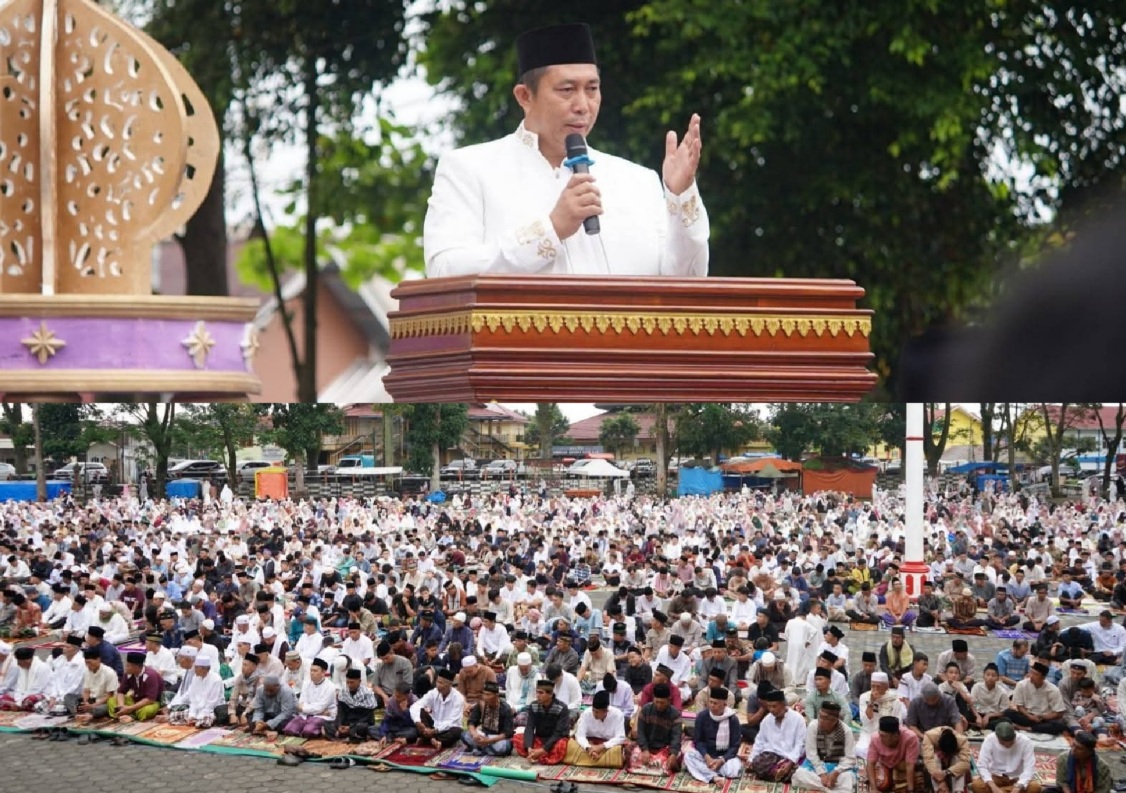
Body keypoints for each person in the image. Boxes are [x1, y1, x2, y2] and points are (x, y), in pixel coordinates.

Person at [422, 23, 708, 279]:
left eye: (592, 89)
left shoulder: (638, 181)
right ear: (525, 96)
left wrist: (681, 194)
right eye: (567, 90)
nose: (583, 105)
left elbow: (686, 280)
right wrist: (551, 229)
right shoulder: (471, 169)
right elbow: (444, 270)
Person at [684, 685, 745, 783]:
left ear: (724, 705)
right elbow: (698, 741)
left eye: (715, 703)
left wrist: (722, 760)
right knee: (688, 756)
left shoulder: (732, 719)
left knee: (734, 770)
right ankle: (714, 777)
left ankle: (705, 771)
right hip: (706, 755)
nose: (712, 705)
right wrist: (706, 756)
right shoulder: (702, 716)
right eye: (710, 702)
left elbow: (735, 746)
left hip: (724, 757)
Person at [792, 700, 856, 793]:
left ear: (835, 720)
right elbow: (811, 753)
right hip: (817, 763)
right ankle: (830, 789)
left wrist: (835, 773)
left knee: (848, 779)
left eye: (825, 718)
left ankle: (822, 786)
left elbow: (849, 758)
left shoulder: (846, 731)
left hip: (837, 765)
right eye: (820, 716)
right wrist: (822, 774)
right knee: (800, 774)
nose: (821, 720)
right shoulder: (813, 725)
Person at [748, 688, 805, 782]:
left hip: (791, 755)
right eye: (769, 707)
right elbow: (760, 741)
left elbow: (800, 744)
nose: (771, 710)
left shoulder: (798, 719)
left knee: (801, 771)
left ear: (783, 704)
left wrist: (790, 762)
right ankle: (779, 773)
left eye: (774, 706)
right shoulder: (767, 720)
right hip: (773, 754)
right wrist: (751, 758)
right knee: (757, 763)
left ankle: (778, 772)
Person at [973, 721, 1041, 793]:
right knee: (977, 785)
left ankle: (1004, 790)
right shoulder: (990, 739)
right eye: (1003, 743)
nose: (1007, 745)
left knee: (1034, 787)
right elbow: (982, 766)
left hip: (1017, 777)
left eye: (1011, 742)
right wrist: (993, 787)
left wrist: (1017, 787)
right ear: (997, 738)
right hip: (995, 776)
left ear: (1014, 736)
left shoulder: (1025, 741)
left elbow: (1029, 768)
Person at [514, 679, 570, 764]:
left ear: (550, 694)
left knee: (561, 745)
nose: (537, 695)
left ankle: (541, 754)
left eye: (541, 693)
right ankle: (534, 753)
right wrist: (529, 748)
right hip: (540, 738)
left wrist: (543, 750)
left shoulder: (562, 708)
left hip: (555, 740)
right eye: (537, 692)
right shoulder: (534, 705)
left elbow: (559, 733)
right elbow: (530, 727)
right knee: (517, 738)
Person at [630, 682, 682, 774]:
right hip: (648, 747)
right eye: (656, 702)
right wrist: (645, 750)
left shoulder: (675, 714)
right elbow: (641, 733)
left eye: (662, 703)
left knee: (669, 762)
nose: (659, 705)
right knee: (633, 755)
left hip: (665, 749)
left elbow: (676, 737)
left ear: (669, 700)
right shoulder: (646, 710)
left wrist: (673, 754)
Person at [566, 688, 626, 767]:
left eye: (597, 712)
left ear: (606, 711)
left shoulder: (618, 714)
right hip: (589, 744)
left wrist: (601, 747)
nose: (594, 714)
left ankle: (589, 760)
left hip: (608, 746)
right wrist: (589, 748)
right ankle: (600, 760)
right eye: (593, 710)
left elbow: (620, 737)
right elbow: (580, 735)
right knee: (570, 745)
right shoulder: (587, 713)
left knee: (618, 751)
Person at [1004, 661, 1068, 735]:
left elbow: (1059, 713)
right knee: (1008, 713)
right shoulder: (1021, 685)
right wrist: (1029, 716)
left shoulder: (1053, 690)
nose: (1031, 676)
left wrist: (1041, 717)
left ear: (1043, 677)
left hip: (1043, 718)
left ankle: (1027, 728)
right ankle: (1040, 728)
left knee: (1060, 725)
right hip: (1027, 716)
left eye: (1035, 674)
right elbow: (1019, 706)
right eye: (1031, 672)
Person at [410, 666, 465, 748]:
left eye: (441, 683)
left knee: (457, 731)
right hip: (433, 725)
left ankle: (432, 740)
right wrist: (418, 722)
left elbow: (452, 721)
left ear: (449, 684)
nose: (438, 685)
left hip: (447, 729)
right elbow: (416, 706)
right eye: (437, 682)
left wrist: (435, 731)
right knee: (420, 712)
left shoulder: (458, 698)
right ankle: (432, 739)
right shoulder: (433, 693)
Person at [284, 657, 337, 738]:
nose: (312, 673)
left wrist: (306, 709)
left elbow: (319, 707)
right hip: (307, 715)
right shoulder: (306, 683)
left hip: (323, 716)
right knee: (289, 730)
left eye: (315, 671)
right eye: (311, 670)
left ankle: (322, 729)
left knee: (308, 731)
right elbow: (301, 703)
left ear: (323, 672)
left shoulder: (330, 687)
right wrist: (316, 711)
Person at [866, 716, 921, 793]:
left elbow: (910, 765)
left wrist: (910, 790)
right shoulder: (875, 738)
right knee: (882, 784)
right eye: (880, 734)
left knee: (918, 781)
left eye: (883, 736)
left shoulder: (910, 738)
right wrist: (874, 789)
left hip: (902, 765)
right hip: (885, 763)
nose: (880, 738)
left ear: (895, 736)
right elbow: (870, 763)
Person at [461, 680, 515, 756]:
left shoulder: (505, 709)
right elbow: (471, 722)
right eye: (484, 694)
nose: (485, 697)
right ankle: (487, 750)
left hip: (496, 739)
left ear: (496, 695)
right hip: (482, 735)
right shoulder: (481, 704)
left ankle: (480, 749)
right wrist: (474, 734)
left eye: (488, 694)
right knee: (464, 735)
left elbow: (507, 733)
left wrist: (488, 740)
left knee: (506, 746)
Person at [1045, 731, 1112, 793]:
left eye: (1079, 748)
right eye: (1073, 745)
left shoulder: (1102, 766)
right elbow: (1062, 783)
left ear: (1089, 752)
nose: (1073, 750)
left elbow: (1103, 789)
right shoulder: (1063, 758)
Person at [108, 651, 163, 722]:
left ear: (136, 667)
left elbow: (150, 699)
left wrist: (130, 708)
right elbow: (121, 691)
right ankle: (123, 715)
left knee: (145, 711)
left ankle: (131, 716)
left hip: (150, 703)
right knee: (111, 701)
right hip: (135, 701)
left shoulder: (150, 675)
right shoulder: (128, 674)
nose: (126, 668)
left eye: (128, 666)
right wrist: (121, 706)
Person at [329, 668, 377, 742]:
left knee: (362, 728)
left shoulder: (367, 694)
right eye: (347, 682)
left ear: (359, 681)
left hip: (360, 722)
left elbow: (367, 717)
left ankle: (347, 735)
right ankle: (350, 736)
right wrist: (340, 725)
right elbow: (341, 712)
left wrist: (350, 727)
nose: (349, 685)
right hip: (347, 722)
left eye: (352, 682)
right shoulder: (343, 692)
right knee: (327, 724)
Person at [920, 727, 972, 793]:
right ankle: (939, 790)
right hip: (937, 759)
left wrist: (946, 772)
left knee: (957, 759)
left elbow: (965, 763)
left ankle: (958, 790)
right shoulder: (929, 736)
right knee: (935, 758)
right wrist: (941, 782)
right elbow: (928, 760)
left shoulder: (962, 740)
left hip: (953, 761)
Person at [0, 646, 50, 711]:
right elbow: (18, 688)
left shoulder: (42, 668)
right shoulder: (22, 668)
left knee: (30, 701)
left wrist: (19, 703)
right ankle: (17, 706)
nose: (17, 664)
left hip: (40, 694)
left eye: (19, 661)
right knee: (2, 698)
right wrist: (18, 700)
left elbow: (36, 689)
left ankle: (19, 707)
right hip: (22, 698)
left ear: (26, 661)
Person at [248, 675, 297, 739]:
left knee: (287, 725)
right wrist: (258, 721)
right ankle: (266, 732)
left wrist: (268, 724)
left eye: (271, 690)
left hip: (283, 717)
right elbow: (259, 709)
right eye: (266, 690)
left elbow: (286, 713)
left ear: (278, 686)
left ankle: (260, 730)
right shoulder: (260, 690)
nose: (268, 693)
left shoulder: (286, 691)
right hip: (268, 715)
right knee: (251, 717)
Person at [970, 663, 1012, 731]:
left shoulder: (1002, 691)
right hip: (978, 713)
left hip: (993, 716)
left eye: (993, 675)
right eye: (988, 675)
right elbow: (971, 704)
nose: (990, 677)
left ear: (998, 678)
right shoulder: (977, 687)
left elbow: (1003, 711)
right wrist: (978, 716)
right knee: (965, 715)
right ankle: (980, 725)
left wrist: (988, 716)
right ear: (983, 676)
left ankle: (978, 726)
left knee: (1006, 720)